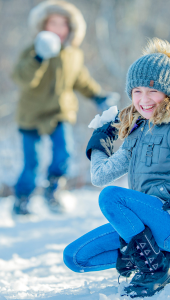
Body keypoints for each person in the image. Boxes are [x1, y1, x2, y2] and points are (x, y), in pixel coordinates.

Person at [63, 38, 170, 298]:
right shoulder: (137, 132)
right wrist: (101, 143)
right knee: (76, 257)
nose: (143, 99)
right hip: (146, 225)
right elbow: (101, 176)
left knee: (112, 197)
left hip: (165, 216)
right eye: (136, 91)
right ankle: (151, 255)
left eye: (153, 90)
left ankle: (155, 269)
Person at [11, 0, 119, 215]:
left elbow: (81, 80)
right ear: (43, 26)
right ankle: (22, 199)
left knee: (64, 153)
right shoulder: (32, 51)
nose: (58, 29)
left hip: (60, 112)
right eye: (53, 23)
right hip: (30, 114)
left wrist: (98, 96)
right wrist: (39, 58)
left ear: (71, 28)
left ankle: (53, 190)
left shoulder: (73, 54)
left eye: (63, 24)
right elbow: (22, 78)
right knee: (32, 162)